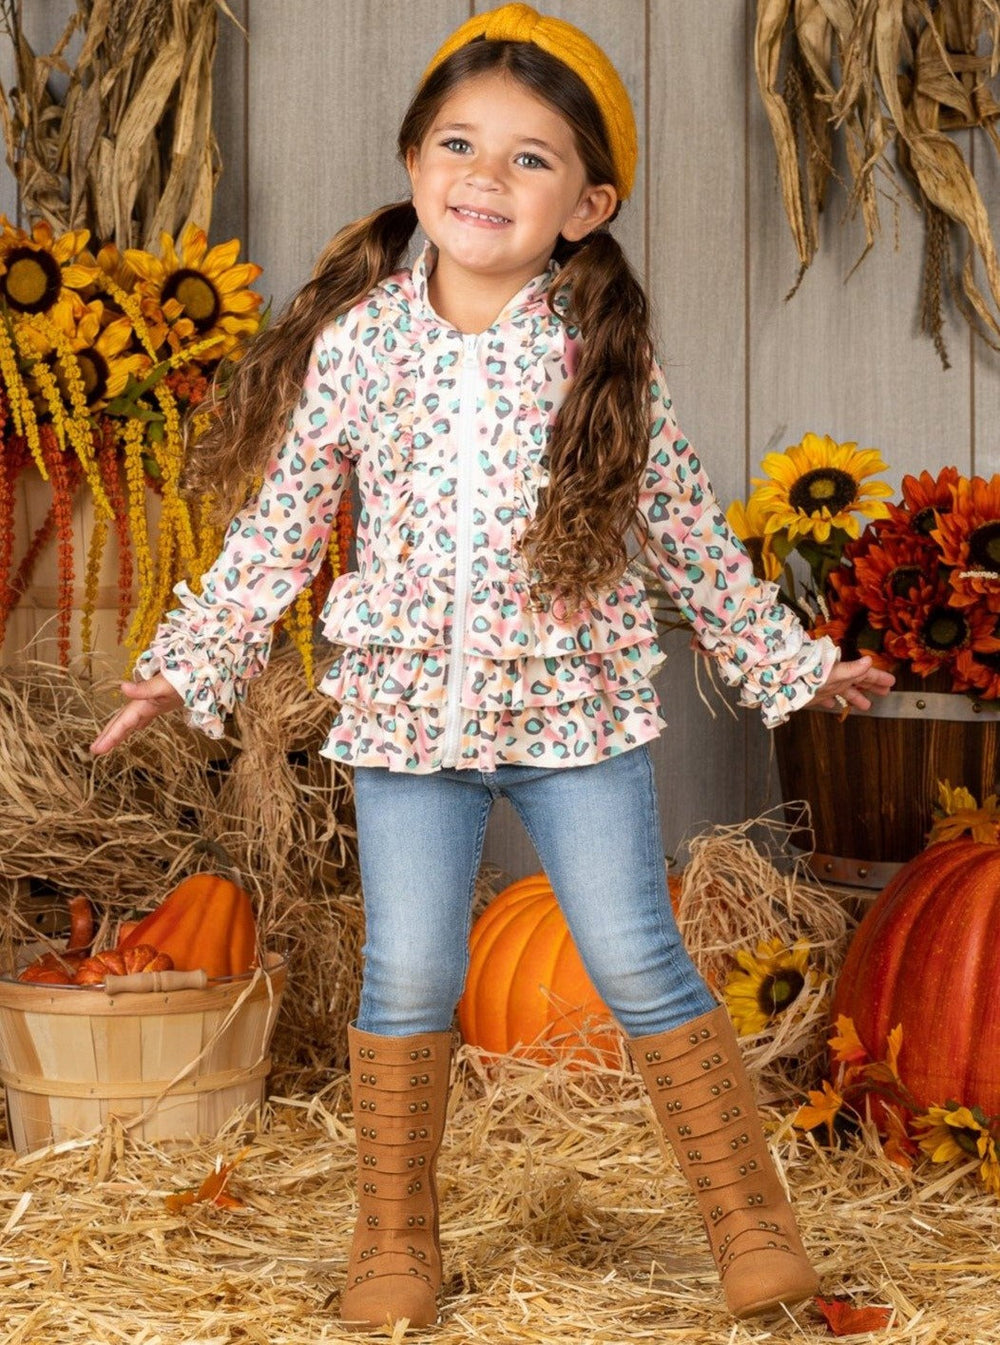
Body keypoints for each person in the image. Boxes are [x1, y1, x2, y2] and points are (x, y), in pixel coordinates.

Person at [91, 3, 893, 1330]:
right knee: (409, 972)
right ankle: (393, 1242)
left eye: (531, 157)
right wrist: (193, 659)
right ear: (414, 162)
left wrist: (788, 661)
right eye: (459, 143)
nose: (485, 176)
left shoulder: (599, 355)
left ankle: (751, 1225)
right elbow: (282, 527)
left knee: (637, 959)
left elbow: (684, 529)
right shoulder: (362, 346)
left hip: (574, 715)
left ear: (587, 204)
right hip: (408, 717)